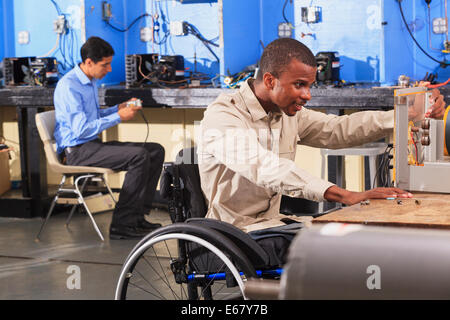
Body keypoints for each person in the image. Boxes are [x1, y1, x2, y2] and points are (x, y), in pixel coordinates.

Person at [197, 38, 445, 262]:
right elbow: (264, 167)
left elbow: (338, 129)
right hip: (234, 233)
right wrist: (344, 195)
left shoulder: (285, 113)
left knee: (363, 236)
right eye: (299, 85)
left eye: (310, 86)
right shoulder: (223, 116)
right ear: (270, 80)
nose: (307, 95)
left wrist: (405, 115)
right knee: (346, 248)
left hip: (275, 224)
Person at [53, 36, 165, 240]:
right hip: (77, 152)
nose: (110, 69)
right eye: (105, 65)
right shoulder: (69, 87)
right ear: (89, 62)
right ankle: (121, 225)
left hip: (90, 146)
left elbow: (93, 118)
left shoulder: (89, 82)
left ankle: (137, 217)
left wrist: (118, 108)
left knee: (155, 150)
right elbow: (80, 131)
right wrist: (118, 118)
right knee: (139, 156)